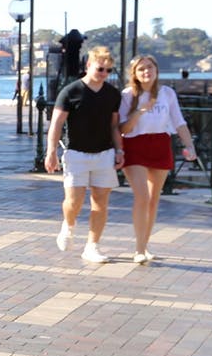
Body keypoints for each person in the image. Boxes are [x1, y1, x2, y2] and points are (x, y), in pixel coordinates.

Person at [44, 46, 124, 263]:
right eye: (100, 68)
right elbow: (56, 124)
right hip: (76, 153)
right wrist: (51, 151)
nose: (104, 74)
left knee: (100, 201)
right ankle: (68, 226)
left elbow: (114, 126)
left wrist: (119, 150)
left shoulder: (112, 94)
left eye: (108, 70)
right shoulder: (71, 92)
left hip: (104, 154)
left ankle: (92, 246)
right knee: (74, 201)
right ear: (89, 65)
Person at [118, 55, 197, 263]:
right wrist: (139, 111)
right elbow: (123, 129)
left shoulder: (167, 93)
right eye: (141, 69)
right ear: (134, 74)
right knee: (142, 197)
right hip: (135, 146)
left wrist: (189, 145)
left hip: (160, 144)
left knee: (153, 200)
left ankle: (145, 245)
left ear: (156, 70)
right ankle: (139, 249)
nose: (147, 72)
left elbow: (178, 122)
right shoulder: (127, 95)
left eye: (150, 67)